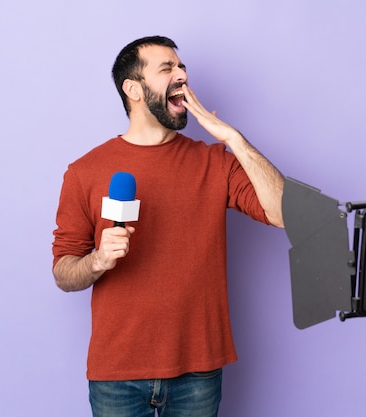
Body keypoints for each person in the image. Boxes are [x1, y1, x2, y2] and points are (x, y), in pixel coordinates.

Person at [52, 35, 284, 417]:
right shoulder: (84, 172)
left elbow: (282, 213)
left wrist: (233, 139)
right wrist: (97, 260)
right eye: (167, 69)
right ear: (134, 89)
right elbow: (63, 273)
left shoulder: (215, 161)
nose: (182, 76)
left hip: (199, 370)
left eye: (182, 68)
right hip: (117, 373)